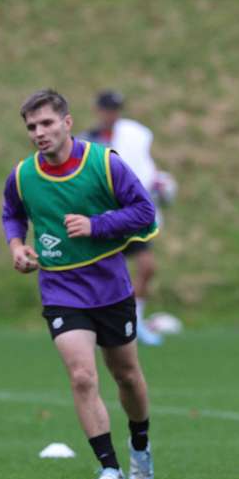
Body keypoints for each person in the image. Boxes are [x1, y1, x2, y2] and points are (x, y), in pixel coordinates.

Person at [1, 89, 155, 479]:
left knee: (126, 375)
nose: (39, 132)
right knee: (83, 376)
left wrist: (96, 225)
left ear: (67, 123)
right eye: (32, 126)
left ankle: (140, 443)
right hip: (60, 290)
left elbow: (145, 211)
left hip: (110, 288)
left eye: (47, 123)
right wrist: (17, 246)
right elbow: (12, 214)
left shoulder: (104, 164)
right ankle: (110, 471)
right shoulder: (22, 175)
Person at [80, 90, 174, 345]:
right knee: (107, 276)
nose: (112, 115)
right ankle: (98, 324)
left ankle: (136, 320)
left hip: (131, 217)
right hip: (105, 219)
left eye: (116, 109)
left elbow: (144, 170)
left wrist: (159, 184)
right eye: (107, 109)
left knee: (147, 266)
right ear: (98, 110)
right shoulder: (88, 141)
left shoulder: (133, 139)